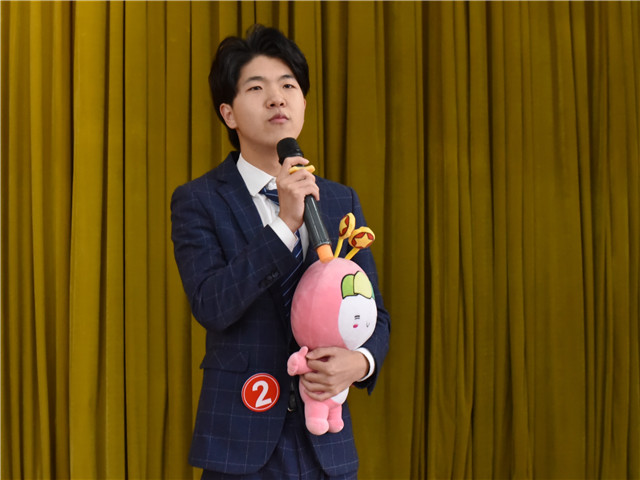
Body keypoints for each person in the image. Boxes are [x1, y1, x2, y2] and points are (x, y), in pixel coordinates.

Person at [171, 24, 390, 480]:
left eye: (288, 86)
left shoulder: (339, 199)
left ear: (303, 102)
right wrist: (284, 225)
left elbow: (373, 312)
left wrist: (360, 362)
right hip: (241, 443)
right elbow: (212, 304)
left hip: (325, 444)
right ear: (229, 113)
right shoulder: (198, 200)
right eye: (257, 88)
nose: (277, 99)